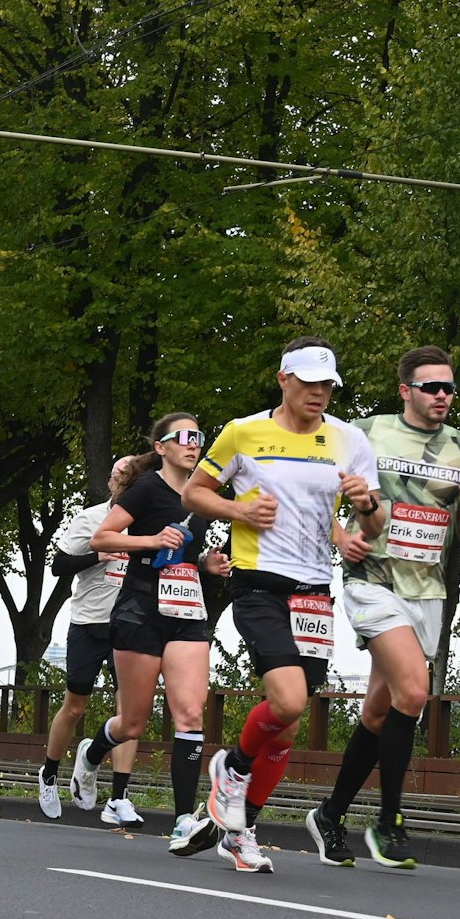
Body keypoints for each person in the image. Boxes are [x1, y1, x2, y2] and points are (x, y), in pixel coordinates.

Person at [184, 337, 384, 872]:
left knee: (288, 725)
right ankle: (231, 766)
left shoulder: (348, 439)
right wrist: (237, 511)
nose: (318, 393)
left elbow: (375, 521)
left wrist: (364, 508)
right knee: (290, 701)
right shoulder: (243, 432)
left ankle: (241, 827)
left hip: (315, 590)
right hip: (258, 583)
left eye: (327, 385)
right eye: (308, 383)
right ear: (283, 380)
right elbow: (194, 494)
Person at [307, 346, 460, 870]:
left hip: (427, 591)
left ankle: (330, 813)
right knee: (414, 689)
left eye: (449, 388)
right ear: (405, 390)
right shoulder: (363, 434)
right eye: (431, 387)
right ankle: (388, 822)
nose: (442, 397)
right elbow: (316, 495)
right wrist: (340, 538)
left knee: (382, 710)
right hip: (373, 581)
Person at [74, 416, 234, 855]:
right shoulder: (145, 489)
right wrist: (149, 539)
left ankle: (183, 821)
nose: (192, 444)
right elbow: (102, 539)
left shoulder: (203, 497)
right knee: (133, 723)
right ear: (160, 447)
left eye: (198, 438)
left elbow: (180, 551)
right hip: (139, 610)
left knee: (189, 714)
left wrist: (205, 564)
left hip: (186, 612)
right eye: (182, 438)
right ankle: (91, 754)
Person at [36, 456, 140, 822]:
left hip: (129, 626)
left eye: (128, 479)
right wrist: (97, 555)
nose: (120, 484)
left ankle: (120, 795)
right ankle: (49, 772)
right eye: (116, 478)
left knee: (129, 711)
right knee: (75, 705)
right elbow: (58, 566)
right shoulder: (91, 518)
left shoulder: (148, 521)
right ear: (110, 482)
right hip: (88, 622)